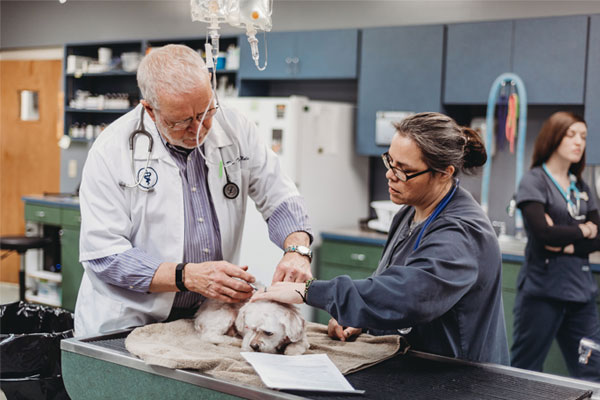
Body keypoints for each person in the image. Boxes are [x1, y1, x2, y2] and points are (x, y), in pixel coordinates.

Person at [74, 44, 313, 336]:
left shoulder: (235, 128)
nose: (200, 128)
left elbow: (279, 194)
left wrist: (297, 250)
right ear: (150, 109)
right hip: (131, 318)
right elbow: (105, 255)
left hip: (208, 316)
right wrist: (185, 275)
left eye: (206, 111)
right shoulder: (111, 151)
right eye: (183, 121)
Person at [252, 112, 510, 365]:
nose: (390, 174)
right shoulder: (409, 212)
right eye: (390, 162)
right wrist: (362, 318)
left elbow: (409, 296)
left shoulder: (462, 232)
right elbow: (385, 286)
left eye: (404, 170)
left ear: (444, 172)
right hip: (414, 366)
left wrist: (308, 291)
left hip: (459, 377)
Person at [510, 111, 600, 382]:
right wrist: (583, 230)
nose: (578, 142)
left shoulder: (582, 186)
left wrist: (566, 243)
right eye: (571, 134)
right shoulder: (534, 181)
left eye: (583, 136)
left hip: (581, 294)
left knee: (592, 371)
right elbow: (543, 235)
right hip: (542, 293)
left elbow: (599, 239)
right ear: (553, 137)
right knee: (526, 371)